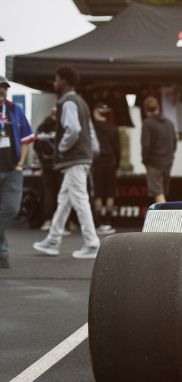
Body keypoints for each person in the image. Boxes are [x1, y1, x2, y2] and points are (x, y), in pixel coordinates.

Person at [33, 65, 100, 260]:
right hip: (82, 157)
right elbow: (88, 131)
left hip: (75, 158)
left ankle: (92, 243)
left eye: (56, 79)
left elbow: (73, 129)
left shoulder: (68, 102)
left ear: (63, 81)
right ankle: (53, 240)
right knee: (65, 199)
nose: (54, 83)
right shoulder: (81, 102)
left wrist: (61, 148)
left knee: (79, 199)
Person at [0, 76, 35, 268]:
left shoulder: (15, 110)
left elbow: (26, 139)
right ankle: (2, 254)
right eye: (0, 87)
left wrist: (21, 164)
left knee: (11, 209)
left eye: (5, 88)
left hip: (13, 170)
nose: (2, 90)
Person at [91, 102, 120, 234]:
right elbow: (118, 149)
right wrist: (117, 165)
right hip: (110, 164)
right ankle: (108, 221)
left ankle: (98, 222)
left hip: (97, 164)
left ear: (97, 112)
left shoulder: (92, 128)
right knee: (110, 193)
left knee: (97, 193)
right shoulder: (113, 128)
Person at [141, 96, 176, 204]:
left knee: (158, 194)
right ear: (158, 107)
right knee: (162, 192)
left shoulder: (147, 123)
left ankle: (164, 215)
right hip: (167, 162)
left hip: (154, 164)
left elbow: (146, 145)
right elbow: (174, 143)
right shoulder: (169, 123)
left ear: (145, 110)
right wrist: (170, 157)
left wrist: (146, 160)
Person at [33, 106, 59, 231]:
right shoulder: (61, 127)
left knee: (48, 192)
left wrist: (42, 158)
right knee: (61, 193)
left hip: (46, 164)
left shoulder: (42, 127)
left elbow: (35, 145)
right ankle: (63, 222)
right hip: (58, 164)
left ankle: (48, 219)